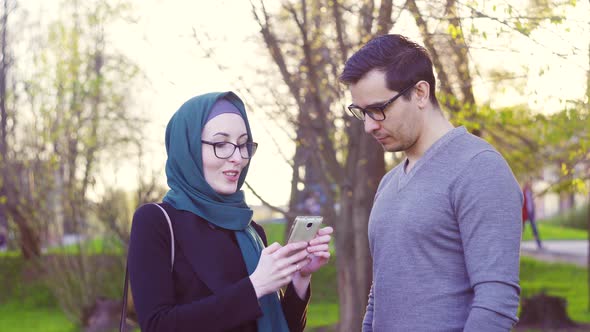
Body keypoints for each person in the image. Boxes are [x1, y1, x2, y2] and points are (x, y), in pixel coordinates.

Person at [339, 34, 523, 331]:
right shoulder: (389, 184)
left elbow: (496, 302)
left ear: (421, 93)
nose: (370, 125)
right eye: (362, 113)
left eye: (378, 109)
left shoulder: (480, 169)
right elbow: (381, 292)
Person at [127, 92, 333, 332]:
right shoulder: (156, 222)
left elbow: (280, 326)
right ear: (189, 148)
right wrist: (255, 286)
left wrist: (300, 277)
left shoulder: (250, 231)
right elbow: (157, 325)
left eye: (243, 144)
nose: (238, 158)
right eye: (221, 144)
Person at [522, 180, 543, 249]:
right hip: (524, 214)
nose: (530, 184)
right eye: (529, 182)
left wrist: (533, 212)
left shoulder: (530, 192)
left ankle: (539, 244)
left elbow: (531, 204)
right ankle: (517, 245)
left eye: (530, 183)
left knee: (534, 229)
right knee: (521, 230)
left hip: (530, 214)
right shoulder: (523, 192)